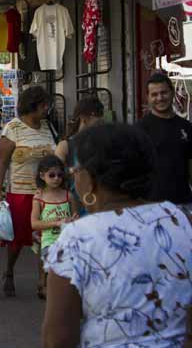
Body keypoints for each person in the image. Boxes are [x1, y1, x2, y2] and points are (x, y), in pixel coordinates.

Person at [42, 123, 192, 347]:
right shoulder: (181, 220)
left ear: (91, 178)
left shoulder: (77, 237)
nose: (72, 176)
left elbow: (58, 339)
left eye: (75, 169)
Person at [0, 85, 56, 297]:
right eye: (43, 105)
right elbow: (2, 163)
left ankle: (43, 282)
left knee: (44, 237)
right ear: (32, 105)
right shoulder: (12, 128)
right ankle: (9, 270)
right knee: (18, 240)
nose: (46, 108)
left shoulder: (49, 127)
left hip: (46, 193)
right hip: (20, 193)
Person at [136, 72, 192, 205]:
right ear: (148, 98)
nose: (160, 98)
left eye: (164, 92)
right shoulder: (139, 130)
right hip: (151, 207)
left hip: (184, 204)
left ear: (172, 93)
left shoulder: (186, 127)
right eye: (154, 95)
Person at [30, 155, 76, 300]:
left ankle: (58, 296)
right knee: (54, 272)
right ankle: (50, 294)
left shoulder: (69, 196)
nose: (56, 178)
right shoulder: (39, 198)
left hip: (68, 241)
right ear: (42, 176)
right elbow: (34, 223)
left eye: (59, 175)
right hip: (49, 241)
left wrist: (72, 221)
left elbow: (76, 217)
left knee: (66, 274)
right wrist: (56, 223)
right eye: (52, 175)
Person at [54, 96, 104, 165]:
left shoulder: (101, 144)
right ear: (83, 118)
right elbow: (56, 172)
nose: (100, 125)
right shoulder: (65, 146)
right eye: (97, 122)